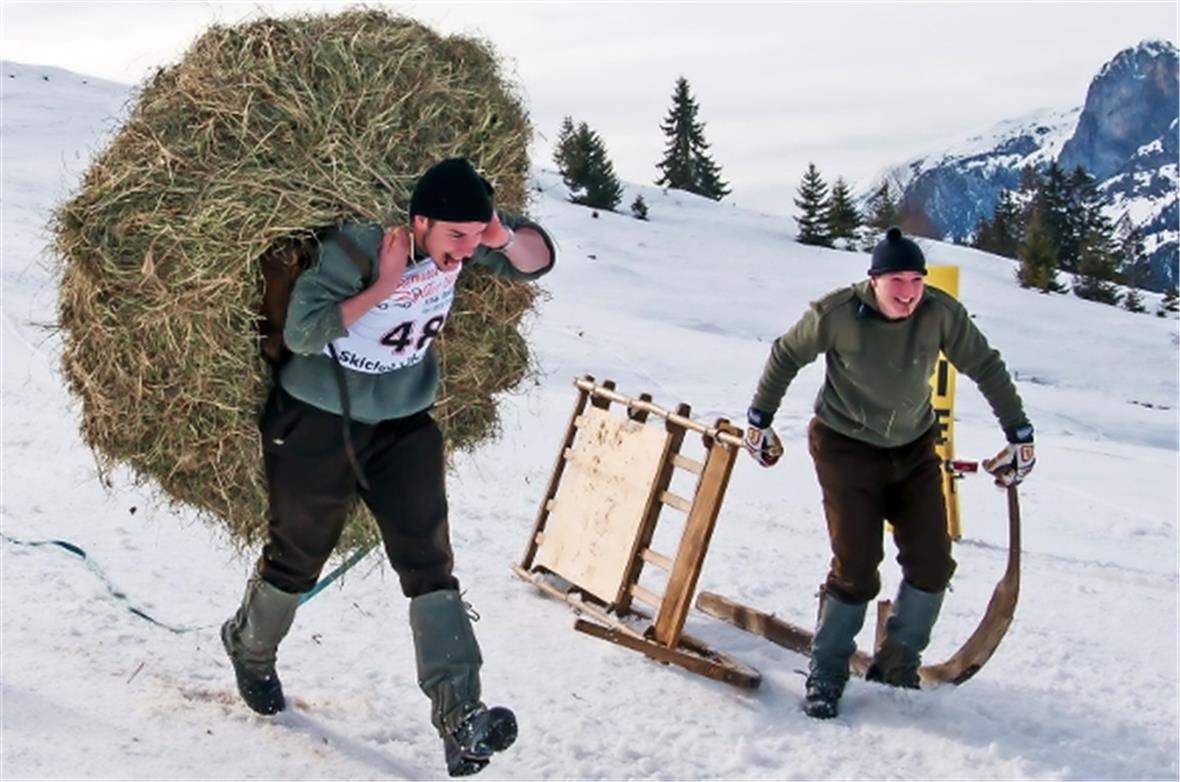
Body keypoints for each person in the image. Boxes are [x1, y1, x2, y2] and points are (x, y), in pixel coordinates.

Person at [222, 158, 556, 776]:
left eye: (471, 236)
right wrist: (385, 285)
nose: (462, 252)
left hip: (402, 423)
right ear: (418, 221)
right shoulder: (357, 248)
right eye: (453, 236)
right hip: (317, 419)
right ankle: (250, 647)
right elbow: (302, 332)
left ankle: (461, 717)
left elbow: (537, 260)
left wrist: (498, 236)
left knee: (429, 560)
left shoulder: (463, 241)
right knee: (299, 554)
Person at [743, 226, 1034, 719]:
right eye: (895, 280)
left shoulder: (940, 313)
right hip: (844, 448)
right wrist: (759, 420)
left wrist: (1019, 431)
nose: (907, 291)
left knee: (932, 563)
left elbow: (984, 364)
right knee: (856, 568)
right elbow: (787, 354)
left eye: (915, 279)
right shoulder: (836, 314)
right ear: (873, 280)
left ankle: (898, 664)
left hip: (914, 448)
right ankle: (828, 672)